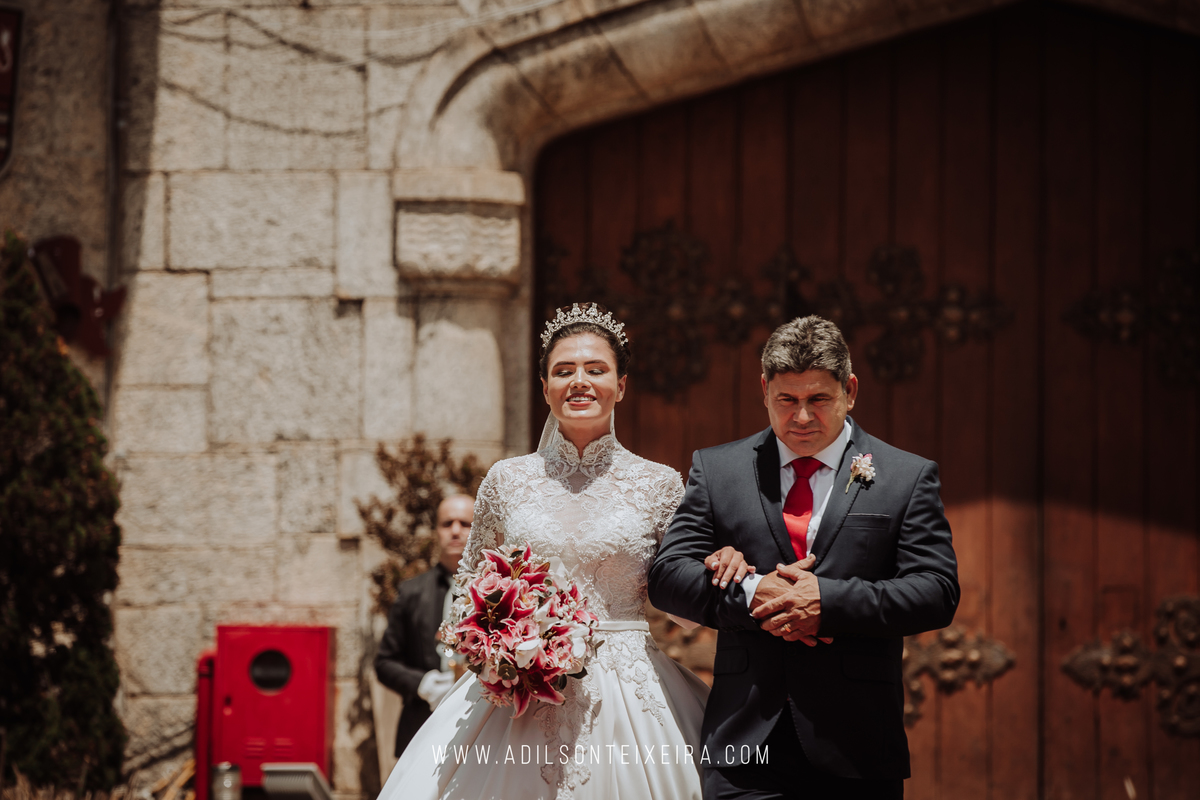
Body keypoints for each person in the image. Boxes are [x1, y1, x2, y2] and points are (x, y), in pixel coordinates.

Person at [376, 303, 751, 800]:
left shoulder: (659, 484)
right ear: (544, 386)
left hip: (628, 691)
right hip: (518, 694)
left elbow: (681, 591)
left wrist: (721, 561)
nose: (580, 381)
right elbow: (468, 584)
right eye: (563, 370)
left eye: (596, 370)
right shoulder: (506, 480)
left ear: (621, 386)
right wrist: (498, 646)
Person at [648, 315, 960, 800]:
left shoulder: (907, 476)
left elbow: (936, 591)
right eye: (786, 401)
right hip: (744, 744)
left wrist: (828, 602)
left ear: (850, 390)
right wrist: (753, 594)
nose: (801, 418)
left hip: (857, 748)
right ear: (764, 390)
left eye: (819, 400)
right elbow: (668, 577)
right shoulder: (717, 469)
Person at [375, 494, 475, 757]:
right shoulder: (411, 592)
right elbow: (384, 662)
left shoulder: (497, 590)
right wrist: (422, 683)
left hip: (480, 726)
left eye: (465, 523)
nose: (455, 531)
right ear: (436, 531)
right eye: (446, 523)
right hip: (420, 726)